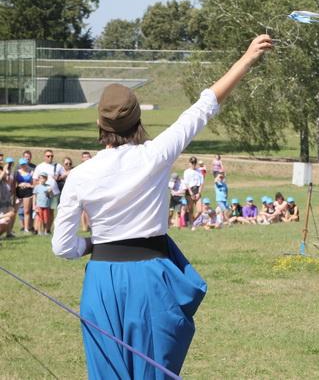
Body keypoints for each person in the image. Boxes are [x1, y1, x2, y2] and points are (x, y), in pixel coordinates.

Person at [51, 33, 273, 378]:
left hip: (101, 281)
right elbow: (203, 107)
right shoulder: (156, 154)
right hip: (150, 278)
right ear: (138, 121)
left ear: (99, 125)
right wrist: (246, 59)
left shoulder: (80, 175)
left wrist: (91, 244)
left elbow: (62, 247)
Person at [14, 158, 34, 233]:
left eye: (24, 164)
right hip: (18, 191)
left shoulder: (31, 172)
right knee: (14, 210)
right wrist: (19, 184)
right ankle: (10, 229)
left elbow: (33, 183)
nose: (23, 166)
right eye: (22, 164)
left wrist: (29, 185)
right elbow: (14, 183)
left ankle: (26, 228)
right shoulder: (17, 172)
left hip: (28, 192)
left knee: (27, 211)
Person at [0, 157, 17, 238]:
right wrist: (4, 171)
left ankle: (9, 232)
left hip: (7, 197)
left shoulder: (8, 172)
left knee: (11, 213)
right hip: (1, 200)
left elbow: (8, 182)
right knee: (6, 217)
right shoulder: (3, 170)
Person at [183, 156, 203, 222]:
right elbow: (186, 183)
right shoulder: (186, 172)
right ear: (189, 163)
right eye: (192, 163)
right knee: (191, 210)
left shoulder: (199, 171)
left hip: (197, 190)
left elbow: (201, 183)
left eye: (194, 163)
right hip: (189, 191)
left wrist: (199, 193)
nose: (193, 164)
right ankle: (191, 224)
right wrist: (191, 193)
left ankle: (192, 221)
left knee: (200, 210)